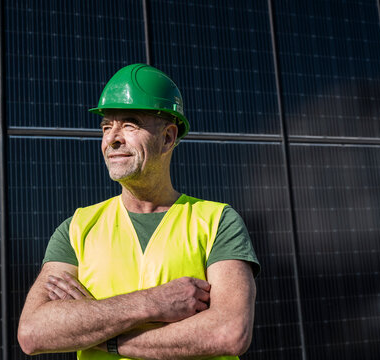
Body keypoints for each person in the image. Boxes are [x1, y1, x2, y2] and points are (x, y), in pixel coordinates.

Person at [18, 63, 260, 360]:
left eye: (129, 125)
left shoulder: (217, 222)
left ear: (168, 138)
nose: (112, 139)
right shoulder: (77, 228)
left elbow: (229, 332)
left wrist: (103, 336)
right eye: (107, 127)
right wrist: (152, 302)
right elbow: (33, 332)